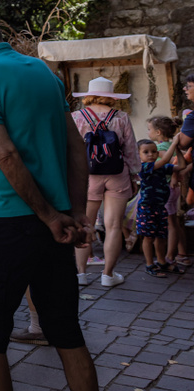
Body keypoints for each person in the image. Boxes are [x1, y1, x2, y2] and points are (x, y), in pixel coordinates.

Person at [0, 11, 100, 391]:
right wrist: (76, 213)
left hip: (10, 222)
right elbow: (75, 149)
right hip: (59, 222)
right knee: (67, 331)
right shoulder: (43, 72)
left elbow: (4, 153)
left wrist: (50, 216)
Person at [70, 76, 137, 288]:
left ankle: (81, 273)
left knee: (84, 223)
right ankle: (108, 275)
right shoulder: (121, 118)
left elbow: (69, 149)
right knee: (114, 225)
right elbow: (131, 150)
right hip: (117, 174)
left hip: (87, 177)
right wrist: (135, 175)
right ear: (112, 96)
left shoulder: (76, 117)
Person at [136, 139, 182, 277]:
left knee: (161, 236)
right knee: (148, 237)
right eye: (146, 152)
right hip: (147, 208)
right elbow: (163, 161)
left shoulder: (161, 167)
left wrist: (178, 150)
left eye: (154, 151)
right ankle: (150, 264)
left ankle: (162, 262)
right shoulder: (143, 167)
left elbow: (181, 166)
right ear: (139, 156)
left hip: (160, 207)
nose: (151, 154)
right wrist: (174, 144)